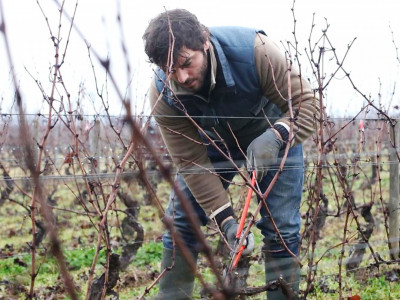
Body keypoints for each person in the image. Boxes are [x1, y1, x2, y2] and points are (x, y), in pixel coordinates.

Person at [143, 8, 319, 300]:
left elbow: (309, 106)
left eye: (187, 63)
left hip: (274, 133)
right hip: (212, 143)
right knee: (182, 221)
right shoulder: (164, 95)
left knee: (282, 228)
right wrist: (226, 222)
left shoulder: (257, 52)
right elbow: (190, 162)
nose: (182, 76)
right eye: (171, 69)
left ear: (205, 42)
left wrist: (277, 136)